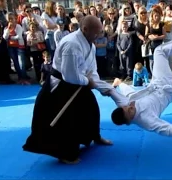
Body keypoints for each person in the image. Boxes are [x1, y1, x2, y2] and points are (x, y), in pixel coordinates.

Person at [22, 16, 114, 164]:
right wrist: (88, 81)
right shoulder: (72, 45)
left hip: (79, 81)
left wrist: (104, 87)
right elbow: (69, 75)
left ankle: (94, 136)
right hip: (61, 85)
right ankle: (66, 154)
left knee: (91, 108)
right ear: (85, 29)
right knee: (67, 119)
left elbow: (92, 70)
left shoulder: (91, 44)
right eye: (97, 32)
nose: (100, 35)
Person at [109, 32, 172, 137]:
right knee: (159, 51)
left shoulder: (127, 103)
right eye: (129, 111)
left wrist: (118, 83)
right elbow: (170, 131)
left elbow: (127, 92)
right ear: (129, 122)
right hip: (168, 89)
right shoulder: (146, 120)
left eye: (126, 107)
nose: (130, 107)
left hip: (156, 82)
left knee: (158, 51)